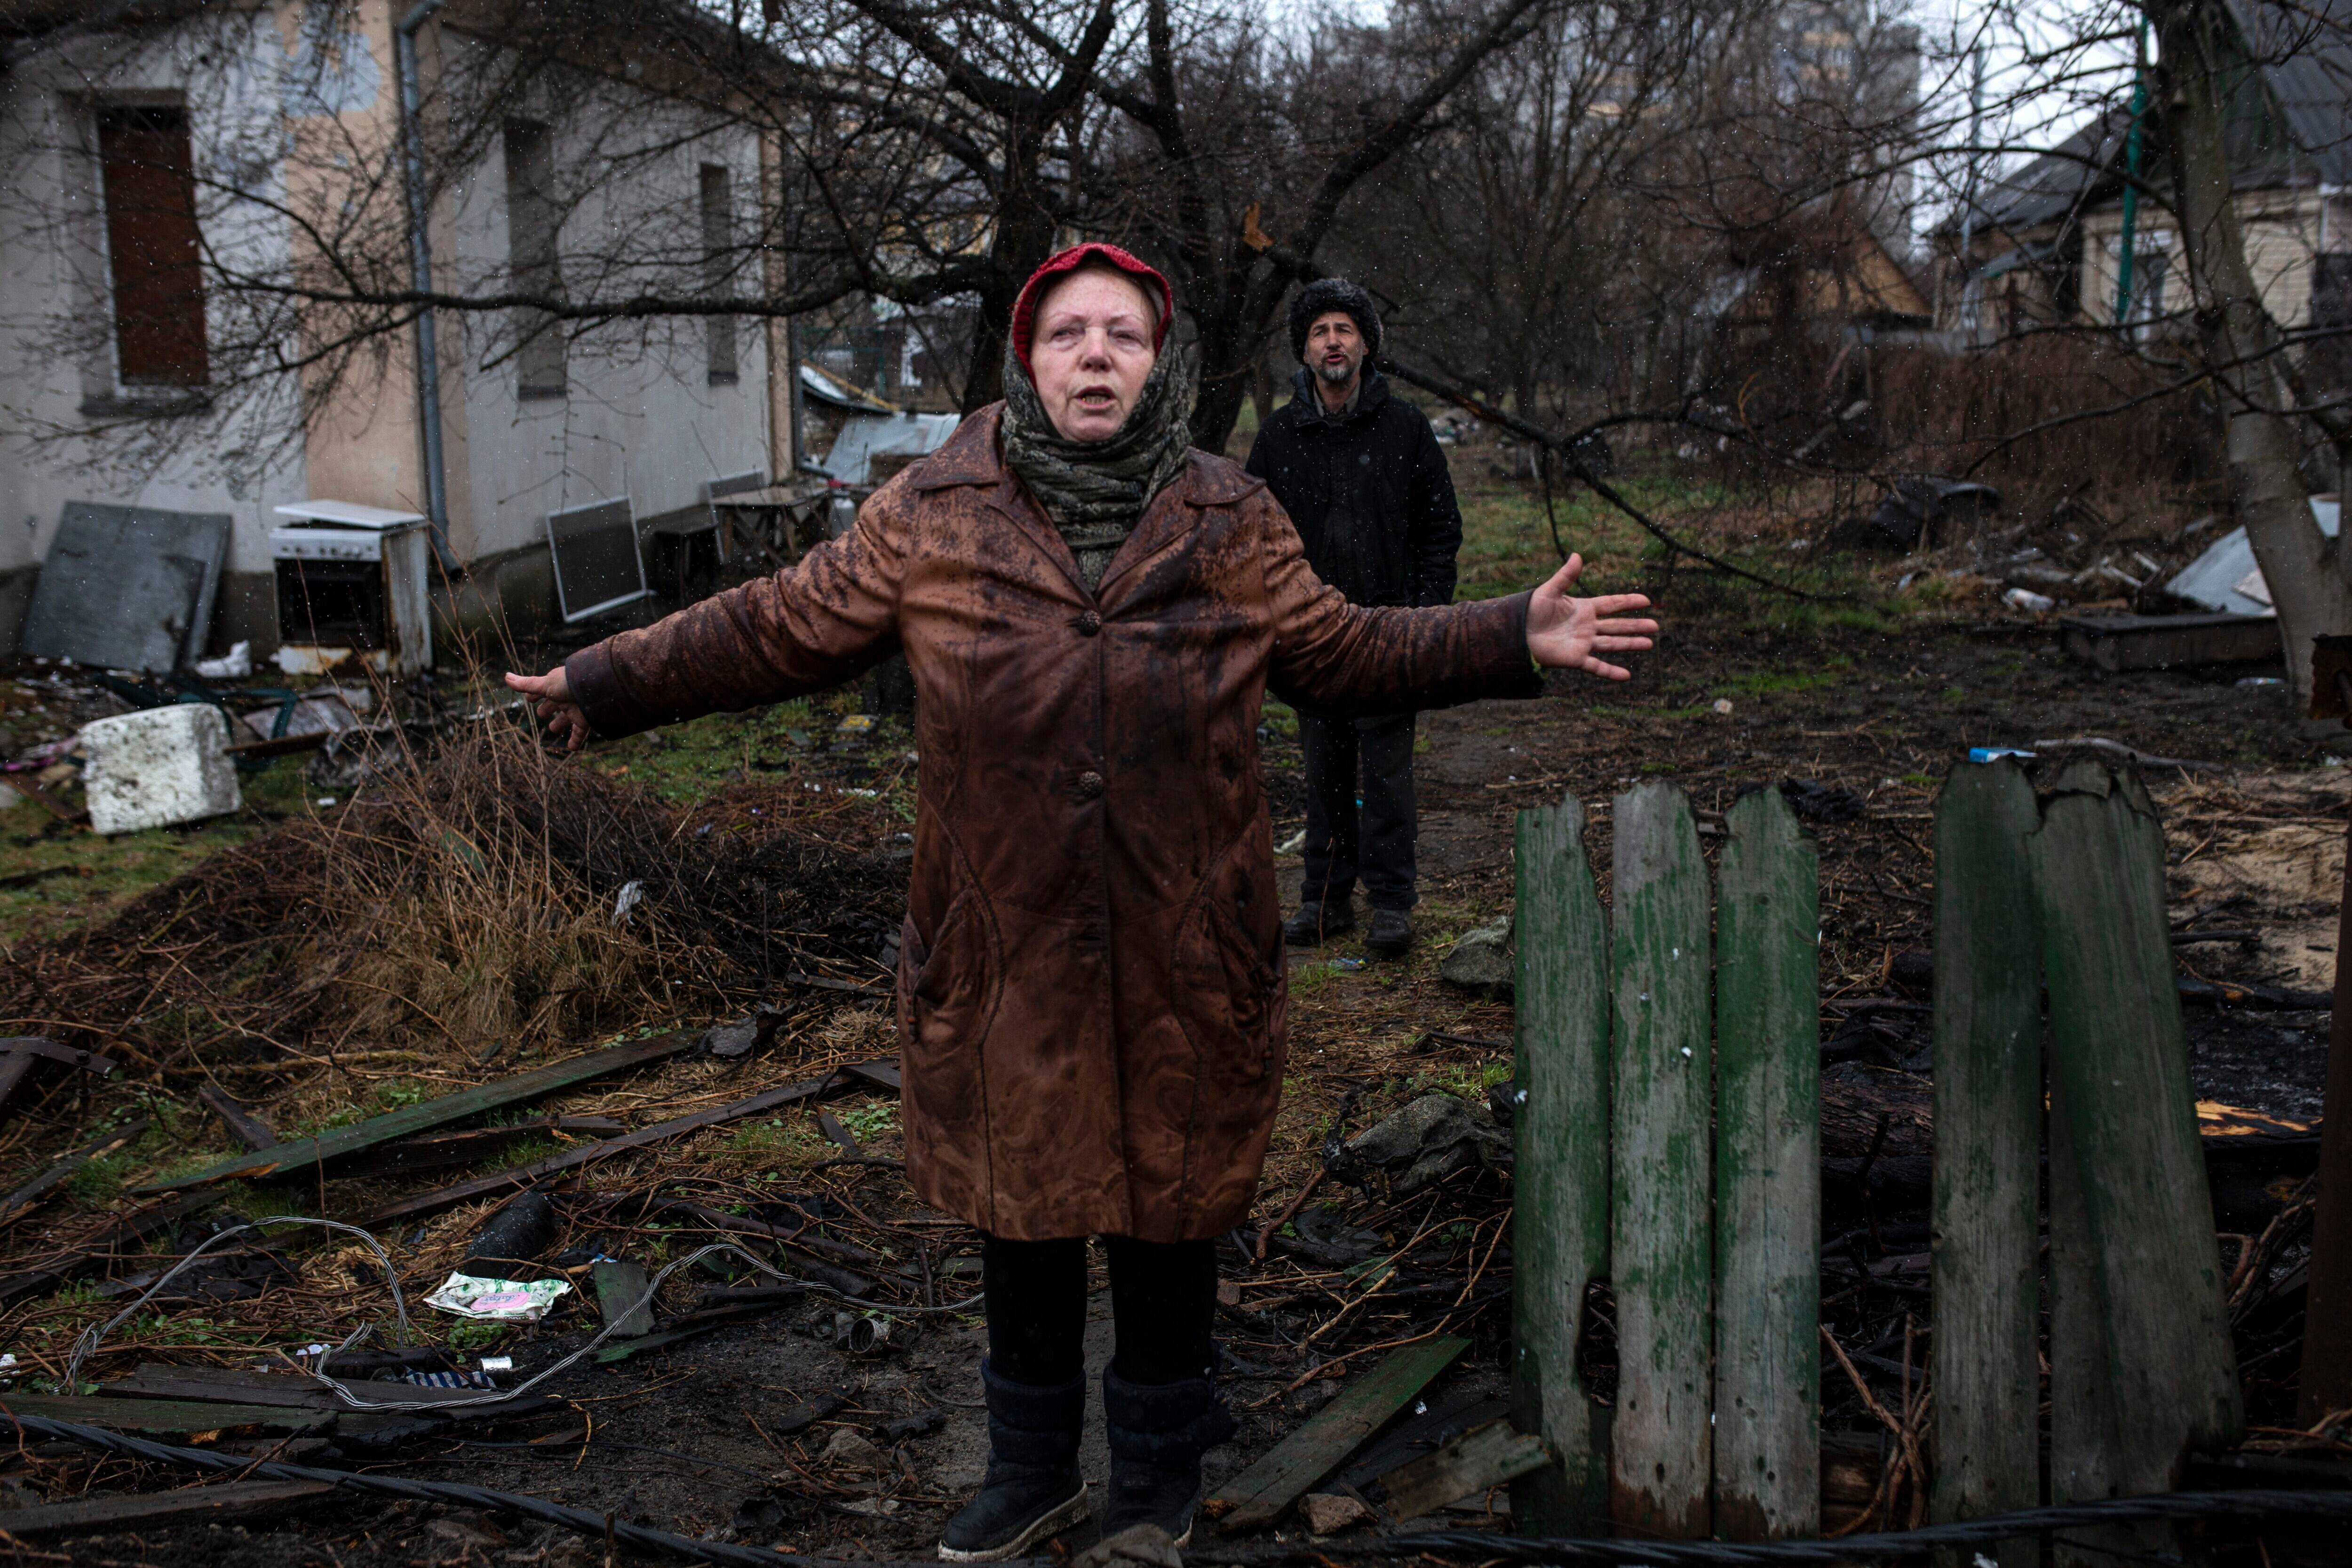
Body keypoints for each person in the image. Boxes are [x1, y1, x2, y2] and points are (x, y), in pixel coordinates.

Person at [507, 243, 1656, 1561]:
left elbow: (1342, 648)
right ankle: (1031, 1469)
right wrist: (605, 680)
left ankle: (1158, 1481)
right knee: (1025, 1210)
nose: (1096, 352)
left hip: (1187, 937)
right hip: (1006, 946)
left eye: (1122, 331)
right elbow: (774, 624)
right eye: (1069, 333)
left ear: (1159, 360)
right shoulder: (931, 512)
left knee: (1173, 1210)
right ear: (1027, 357)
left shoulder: (1230, 512)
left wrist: (1512, 631)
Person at [1244, 277, 1460, 958]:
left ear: (1366, 345)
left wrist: (1426, 613)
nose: (1332, 342)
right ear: (1304, 351)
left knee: (1388, 774)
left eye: (1344, 330)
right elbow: (1250, 537)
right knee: (1324, 771)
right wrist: (1276, 617)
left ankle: (1392, 904)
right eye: (1319, 332)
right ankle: (1326, 898)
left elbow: (1439, 528)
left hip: (1390, 631)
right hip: (1311, 636)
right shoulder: (1279, 437)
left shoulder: (1405, 428)